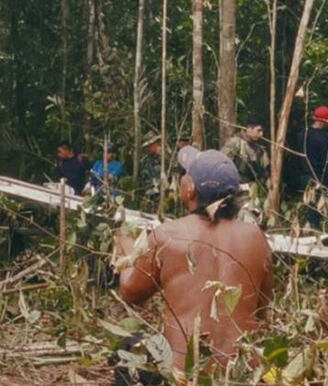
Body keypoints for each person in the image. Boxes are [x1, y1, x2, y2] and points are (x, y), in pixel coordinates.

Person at [112, 149, 272, 380]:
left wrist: (127, 248)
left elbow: (130, 293)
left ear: (190, 189)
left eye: (185, 175)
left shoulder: (167, 235)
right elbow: (262, 309)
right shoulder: (257, 238)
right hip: (241, 376)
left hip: (184, 377)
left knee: (127, 350)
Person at [222, 120, 268, 184]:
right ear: (249, 129)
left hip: (254, 188)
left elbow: (264, 171)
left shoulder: (259, 148)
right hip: (236, 186)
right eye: (258, 130)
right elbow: (223, 166)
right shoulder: (235, 143)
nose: (261, 134)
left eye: (262, 131)